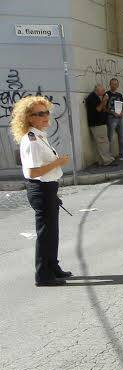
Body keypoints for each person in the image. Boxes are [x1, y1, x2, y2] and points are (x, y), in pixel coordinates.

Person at [10, 96, 73, 287]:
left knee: (52, 233)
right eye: (40, 114)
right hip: (41, 189)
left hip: (48, 189)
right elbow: (33, 171)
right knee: (46, 234)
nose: (46, 116)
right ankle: (43, 275)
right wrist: (58, 162)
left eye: (46, 112)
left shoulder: (39, 135)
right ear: (29, 117)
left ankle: (53, 267)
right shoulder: (32, 140)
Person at [84, 84, 115, 166]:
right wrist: (104, 100)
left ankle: (102, 160)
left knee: (103, 142)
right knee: (103, 143)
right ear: (97, 90)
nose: (104, 92)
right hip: (97, 124)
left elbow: (102, 108)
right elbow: (98, 109)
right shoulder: (92, 98)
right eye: (102, 91)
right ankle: (107, 161)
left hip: (100, 123)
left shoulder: (96, 97)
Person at [105, 77, 123, 161]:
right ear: (110, 84)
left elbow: (122, 106)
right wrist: (113, 113)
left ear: (118, 85)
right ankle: (109, 156)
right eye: (112, 84)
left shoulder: (119, 95)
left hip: (120, 118)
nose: (114, 85)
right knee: (110, 137)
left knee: (122, 136)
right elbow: (104, 108)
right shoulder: (106, 94)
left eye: (116, 84)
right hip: (111, 118)